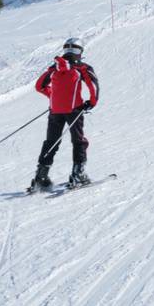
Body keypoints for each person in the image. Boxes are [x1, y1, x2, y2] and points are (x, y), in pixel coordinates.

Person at [29, 37, 98, 191]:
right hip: (74, 110)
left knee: (51, 141)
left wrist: (54, 97)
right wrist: (91, 103)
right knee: (78, 141)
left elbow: (40, 86)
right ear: (79, 51)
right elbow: (93, 86)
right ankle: (78, 174)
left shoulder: (54, 68)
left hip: (55, 110)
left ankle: (41, 176)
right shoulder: (82, 68)